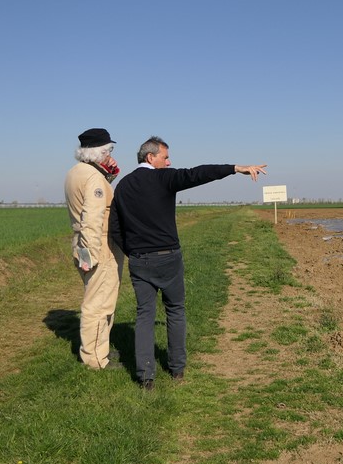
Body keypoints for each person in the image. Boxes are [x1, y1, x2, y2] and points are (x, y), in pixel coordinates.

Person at [109, 136, 266, 389]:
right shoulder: (164, 178)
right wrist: (236, 168)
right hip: (168, 257)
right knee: (175, 310)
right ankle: (177, 369)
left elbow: (114, 227)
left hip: (139, 260)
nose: (169, 162)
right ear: (151, 157)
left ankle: (146, 377)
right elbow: (198, 174)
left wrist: (133, 252)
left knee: (144, 316)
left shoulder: (123, 185)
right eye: (166, 157)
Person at [64, 128, 124, 370]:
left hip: (83, 241)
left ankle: (101, 350)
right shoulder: (93, 178)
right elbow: (93, 216)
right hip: (100, 244)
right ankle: (96, 360)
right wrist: (92, 253)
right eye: (108, 150)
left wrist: (109, 176)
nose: (110, 155)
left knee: (98, 300)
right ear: (99, 151)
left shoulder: (76, 172)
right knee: (99, 304)